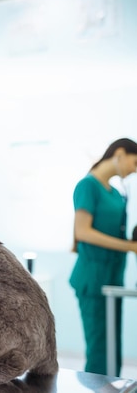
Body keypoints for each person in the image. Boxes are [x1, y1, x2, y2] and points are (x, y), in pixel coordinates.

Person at [70, 137, 137, 376]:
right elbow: (83, 232)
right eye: (135, 162)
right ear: (119, 153)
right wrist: (129, 247)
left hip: (113, 276)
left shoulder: (116, 192)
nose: (134, 169)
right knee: (100, 349)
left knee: (113, 347)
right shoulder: (88, 186)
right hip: (93, 278)